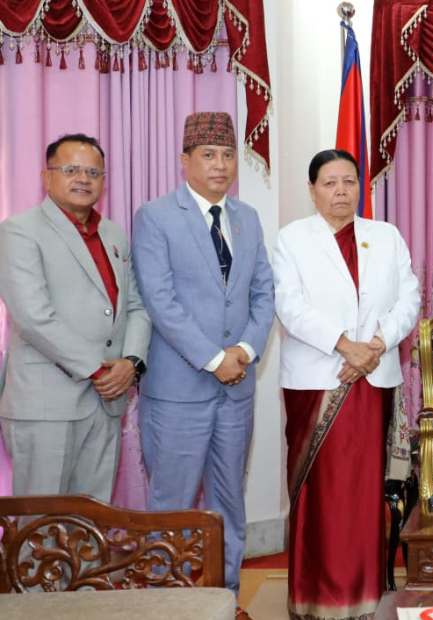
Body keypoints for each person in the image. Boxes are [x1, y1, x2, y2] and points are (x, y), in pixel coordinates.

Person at [131, 112, 275, 593]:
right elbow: (160, 301)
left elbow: (263, 293)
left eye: (228, 155)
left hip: (236, 392)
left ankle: (224, 597)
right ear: (184, 160)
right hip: (178, 393)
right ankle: (164, 603)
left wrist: (246, 350)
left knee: (229, 503)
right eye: (208, 155)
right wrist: (216, 360)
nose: (220, 165)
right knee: (170, 506)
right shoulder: (155, 217)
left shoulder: (247, 218)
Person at [273, 149, 419, 619]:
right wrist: (344, 345)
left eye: (349, 181)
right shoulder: (293, 239)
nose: (341, 191)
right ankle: (316, 598)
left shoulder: (386, 236)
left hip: (373, 379)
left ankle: (366, 595)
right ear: (312, 189)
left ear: (361, 186)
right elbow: (289, 305)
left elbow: (409, 297)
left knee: (363, 492)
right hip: (317, 379)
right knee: (323, 495)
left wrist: (375, 345)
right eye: (330, 183)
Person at [0, 133, 150, 501]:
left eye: (93, 172)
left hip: (107, 402)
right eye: (71, 170)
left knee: (92, 519)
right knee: (41, 521)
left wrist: (130, 363)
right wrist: (100, 371)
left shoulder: (113, 234)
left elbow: (135, 306)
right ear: (46, 176)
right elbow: (34, 317)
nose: (83, 179)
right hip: (46, 404)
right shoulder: (19, 231)